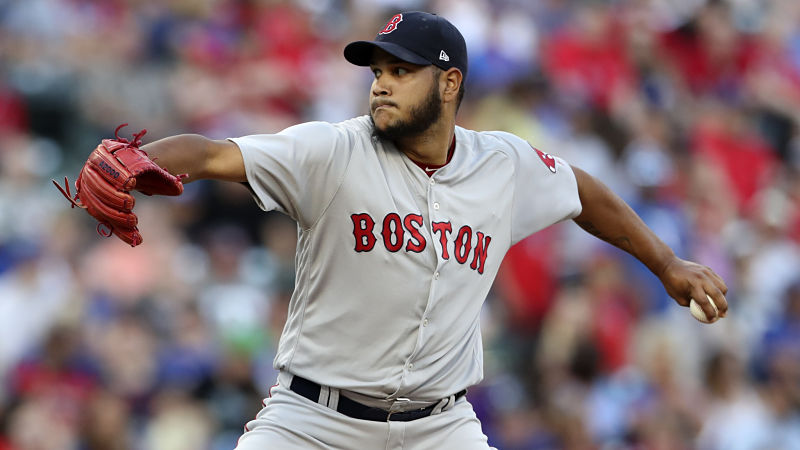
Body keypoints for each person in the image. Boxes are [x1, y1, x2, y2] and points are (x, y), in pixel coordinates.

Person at [73, 11, 729, 449]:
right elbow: (215, 153)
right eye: (377, 72)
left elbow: (582, 191)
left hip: (440, 427)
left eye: (400, 71)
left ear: (449, 83)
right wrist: (143, 160)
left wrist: (666, 263)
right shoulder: (331, 151)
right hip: (313, 421)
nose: (380, 86)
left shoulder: (501, 164)